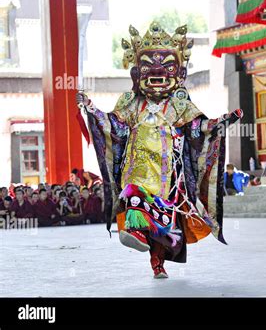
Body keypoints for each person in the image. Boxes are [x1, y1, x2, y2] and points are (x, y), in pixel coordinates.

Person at [77, 22, 243, 278]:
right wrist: (91, 108)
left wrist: (220, 122)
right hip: (138, 169)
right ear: (136, 73)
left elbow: (197, 128)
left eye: (167, 66)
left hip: (169, 177)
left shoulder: (179, 103)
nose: (157, 70)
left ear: (179, 73)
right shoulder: (131, 102)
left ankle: (157, 263)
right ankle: (133, 232)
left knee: (165, 226)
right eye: (148, 66)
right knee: (133, 194)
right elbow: (116, 127)